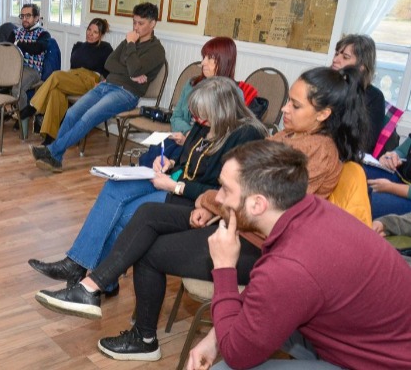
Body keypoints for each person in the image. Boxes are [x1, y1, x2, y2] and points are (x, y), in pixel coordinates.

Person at [33, 66, 368, 361]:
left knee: (149, 248)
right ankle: (92, 288)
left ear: (324, 114)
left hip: (262, 245)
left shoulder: (317, 153)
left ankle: (141, 336)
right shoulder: (292, 136)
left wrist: (207, 203)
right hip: (234, 220)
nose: (283, 109)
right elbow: (243, 191)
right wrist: (210, 205)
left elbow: (260, 204)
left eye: (295, 104)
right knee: (147, 214)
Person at [186, 140, 411, 370]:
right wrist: (216, 336)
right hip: (369, 341)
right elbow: (266, 294)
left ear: (257, 204)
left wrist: (224, 268)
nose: (218, 198)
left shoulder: (290, 265)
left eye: (225, 189)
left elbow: (237, 355)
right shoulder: (310, 209)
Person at [28, 77, 267, 292]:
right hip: (174, 181)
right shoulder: (205, 124)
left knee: (126, 214)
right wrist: (170, 162)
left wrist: (175, 186)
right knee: (114, 187)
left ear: (222, 111)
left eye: (202, 114)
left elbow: (224, 193)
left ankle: (100, 278)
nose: (197, 120)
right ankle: (77, 264)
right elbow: (190, 158)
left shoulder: (246, 136)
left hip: (191, 198)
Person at [30, 2, 166, 173]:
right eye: (134, 22)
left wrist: (131, 46)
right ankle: (55, 158)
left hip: (126, 94)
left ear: (153, 24)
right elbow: (109, 63)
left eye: (141, 23)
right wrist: (130, 72)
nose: (136, 27)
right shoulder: (128, 41)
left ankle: (52, 152)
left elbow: (135, 69)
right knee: (72, 113)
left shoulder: (156, 50)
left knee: (88, 117)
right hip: (106, 85)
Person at [19, 18, 114, 145]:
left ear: (101, 35)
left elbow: (112, 71)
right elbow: (73, 68)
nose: (90, 34)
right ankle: (50, 137)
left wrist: (103, 83)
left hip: (89, 80)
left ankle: (32, 107)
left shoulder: (105, 48)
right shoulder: (78, 46)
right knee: (55, 92)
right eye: (89, 29)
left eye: (95, 32)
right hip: (72, 77)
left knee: (56, 76)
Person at [168, 37, 239, 149]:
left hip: (207, 149)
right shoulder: (192, 84)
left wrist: (192, 140)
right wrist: (188, 133)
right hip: (183, 137)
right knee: (155, 152)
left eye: (210, 58)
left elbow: (224, 134)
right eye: (204, 57)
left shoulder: (233, 93)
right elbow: (176, 117)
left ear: (224, 61)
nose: (203, 63)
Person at [0, 3, 51, 116]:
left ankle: (22, 118)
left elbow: (37, 49)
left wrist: (19, 44)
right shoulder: (16, 32)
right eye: (22, 16)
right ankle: (2, 113)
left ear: (36, 17)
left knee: (17, 89)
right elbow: (6, 50)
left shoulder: (43, 34)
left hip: (31, 70)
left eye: (28, 16)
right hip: (12, 68)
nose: (24, 19)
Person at [331, 34, 383, 154]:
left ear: (361, 67)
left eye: (345, 57)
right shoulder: (325, 86)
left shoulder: (375, 97)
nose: (335, 60)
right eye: (336, 54)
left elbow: (365, 144)